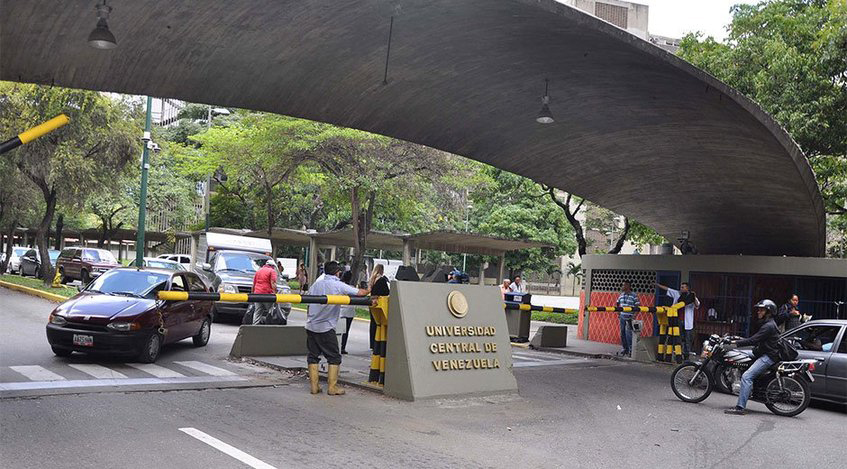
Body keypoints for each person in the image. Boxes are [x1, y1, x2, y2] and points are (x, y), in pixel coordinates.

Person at [305, 261, 368, 395]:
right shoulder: (337, 285)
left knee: (313, 356)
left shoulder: (316, 285)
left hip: (311, 326)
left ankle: (314, 387)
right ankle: (332, 387)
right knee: (334, 357)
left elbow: (308, 305)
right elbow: (360, 293)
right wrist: (371, 288)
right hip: (326, 327)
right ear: (337, 272)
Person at [724, 299, 781, 415]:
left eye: (761, 310)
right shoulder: (768, 324)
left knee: (747, 376)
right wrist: (736, 339)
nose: (758, 312)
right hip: (762, 352)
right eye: (758, 310)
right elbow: (755, 339)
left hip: (768, 356)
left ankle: (740, 408)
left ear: (768, 312)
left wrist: (735, 343)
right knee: (739, 354)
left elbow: (754, 340)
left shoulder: (768, 326)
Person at [656, 282, 700, 357]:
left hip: (687, 321)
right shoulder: (677, 294)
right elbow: (667, 289)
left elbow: (697, 305)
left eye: (683, 287)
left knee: (687, 339)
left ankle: (686, 355)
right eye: (681, 287)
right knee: (678, 338)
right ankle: (678, 354)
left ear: (687, 288)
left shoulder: (691, 296)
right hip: (678, 319)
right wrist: (657, 285)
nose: (681, 288)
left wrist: (694, 297)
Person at [616, 281, 640, 357]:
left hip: (630, 316)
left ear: (628, 286)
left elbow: (637, 306)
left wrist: (634, 315)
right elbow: (617, 303)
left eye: (624, 285)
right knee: (622, 333)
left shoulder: (634, 295)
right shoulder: (621, 295)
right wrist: (618, 313)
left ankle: (630, 350)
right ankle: (624, 348)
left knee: (628, 334)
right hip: (622, 316)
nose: (622, 286)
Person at [368, 264, 389, 350]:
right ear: (382, 270)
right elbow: (386, 291)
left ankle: (372, 343)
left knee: (373, 323)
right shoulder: (382, 280)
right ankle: (378, 343)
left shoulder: (372, 279)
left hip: (372, 303)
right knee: (379, 325)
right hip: (380, 303)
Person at [251, 259, 277, 325]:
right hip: (267, 294)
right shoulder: (272, 271)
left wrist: (252, 294)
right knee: (270, 310)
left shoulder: (258, 271)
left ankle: (255, 326)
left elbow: (254, 284)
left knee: (257, 311)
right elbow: (273, 283)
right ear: (272, 266)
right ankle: (269, 325)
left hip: (257, 294)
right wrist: (275, 293)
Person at [339, 270, 356, 355]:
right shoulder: (352, 288)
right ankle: (343, 347)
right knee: (346, 331)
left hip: (341, 311)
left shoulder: (340, 287)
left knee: (339, 330)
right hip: (349, 311)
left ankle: (338, 346)